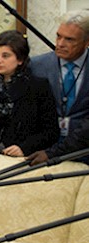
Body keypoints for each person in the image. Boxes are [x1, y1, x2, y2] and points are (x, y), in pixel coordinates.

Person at [30, 10, 89, 146]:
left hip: (84, 150)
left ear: (86, 42)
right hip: (44, 151)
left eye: (69, 39)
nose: (60, 43)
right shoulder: (36, 66)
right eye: (58, 36)